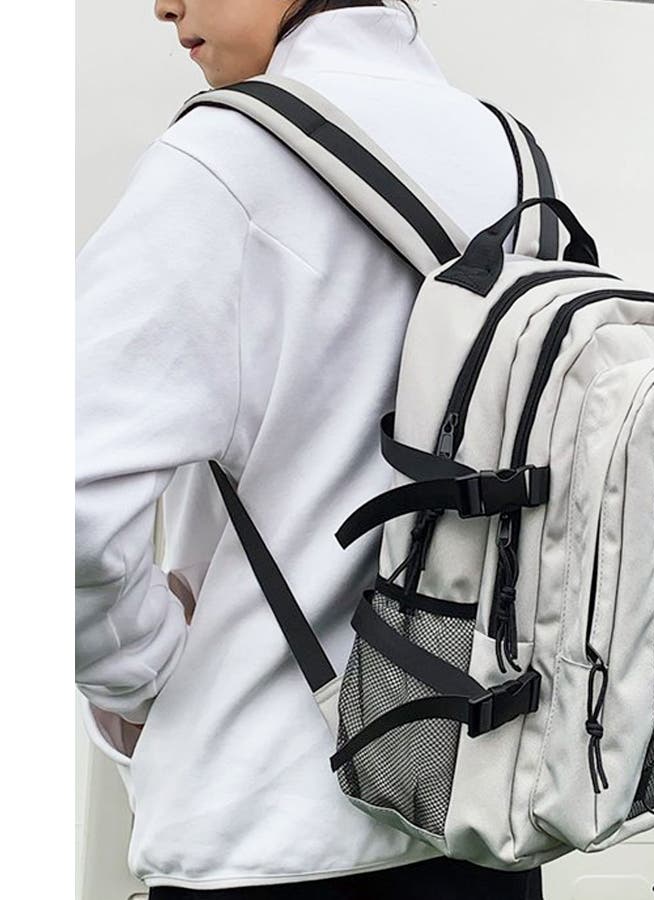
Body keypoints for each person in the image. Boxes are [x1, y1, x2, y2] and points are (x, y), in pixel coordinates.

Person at [75, 1, 545, 897]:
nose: (162, 5)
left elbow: (67, 503)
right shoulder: (515, 156)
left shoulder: (222, 159)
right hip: (487, 810)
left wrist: (140, 678)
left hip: (269, 826)